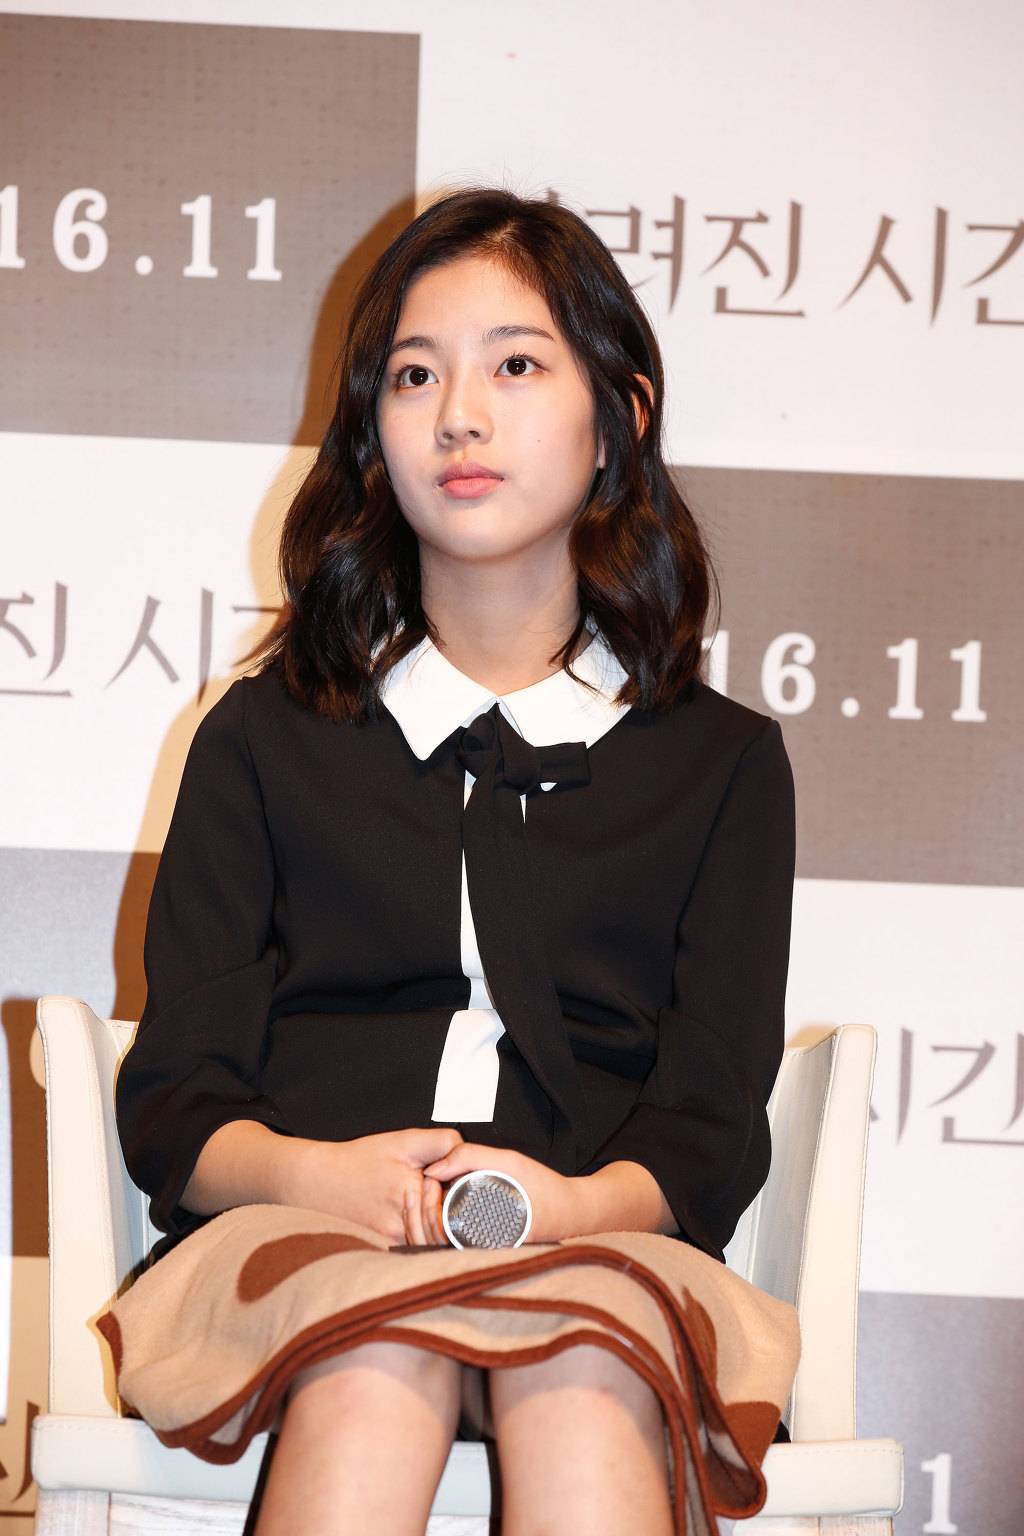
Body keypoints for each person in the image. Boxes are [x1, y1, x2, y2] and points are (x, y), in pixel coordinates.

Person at [102, 185, 799, 1536]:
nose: (459, 415)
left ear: (622, 414)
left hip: (601, 1257)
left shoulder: (720, 766)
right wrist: (319, 1179)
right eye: (415, 376)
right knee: (376, 1356)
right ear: (373, 433)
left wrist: (578, 1208)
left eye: (516, 366)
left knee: (583, 1366)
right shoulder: (262, 739)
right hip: (304, 1253)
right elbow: (176, 1099)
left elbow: (713, 1117)